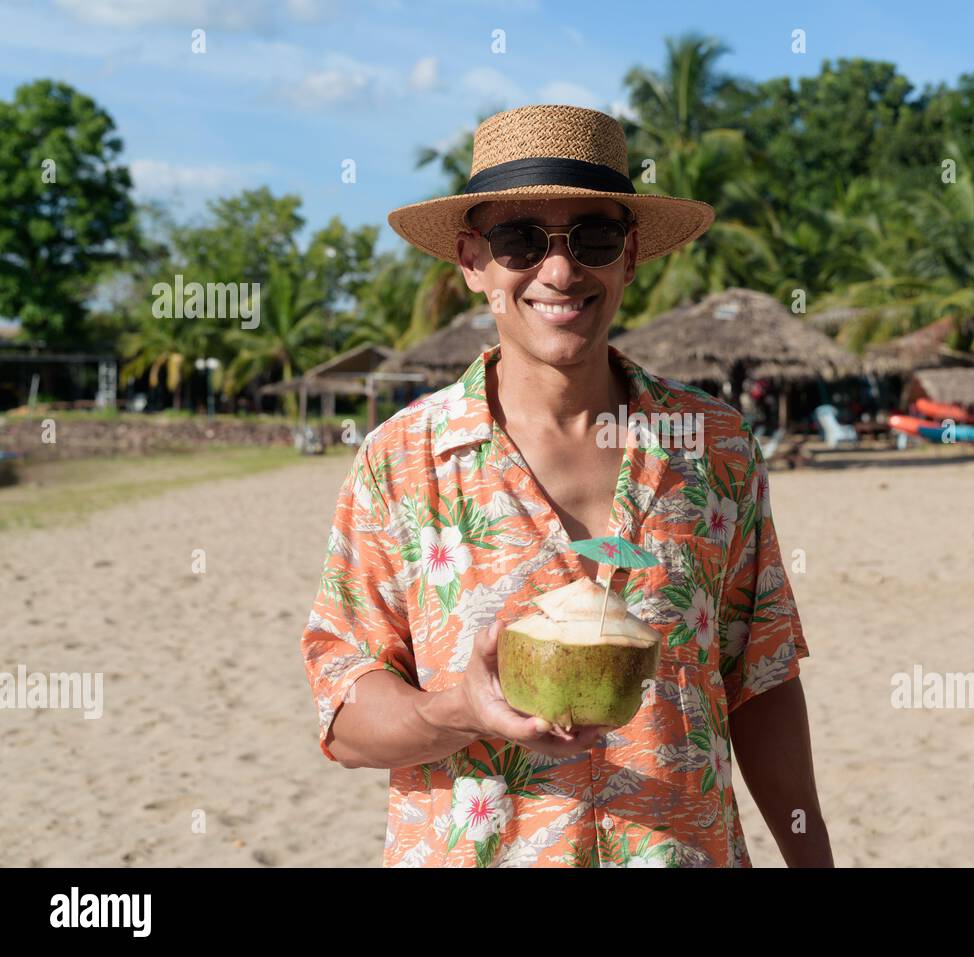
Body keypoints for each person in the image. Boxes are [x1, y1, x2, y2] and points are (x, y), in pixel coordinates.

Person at [300, 104, 832, 867]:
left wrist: (812, 855)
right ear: (471, 261)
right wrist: (459, 709)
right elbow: (345, 713)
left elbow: (762, 676)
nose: (559, 270)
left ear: (631, 255)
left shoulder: (715, 446)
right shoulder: (401, 460)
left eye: (593, 237)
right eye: (519, 240)